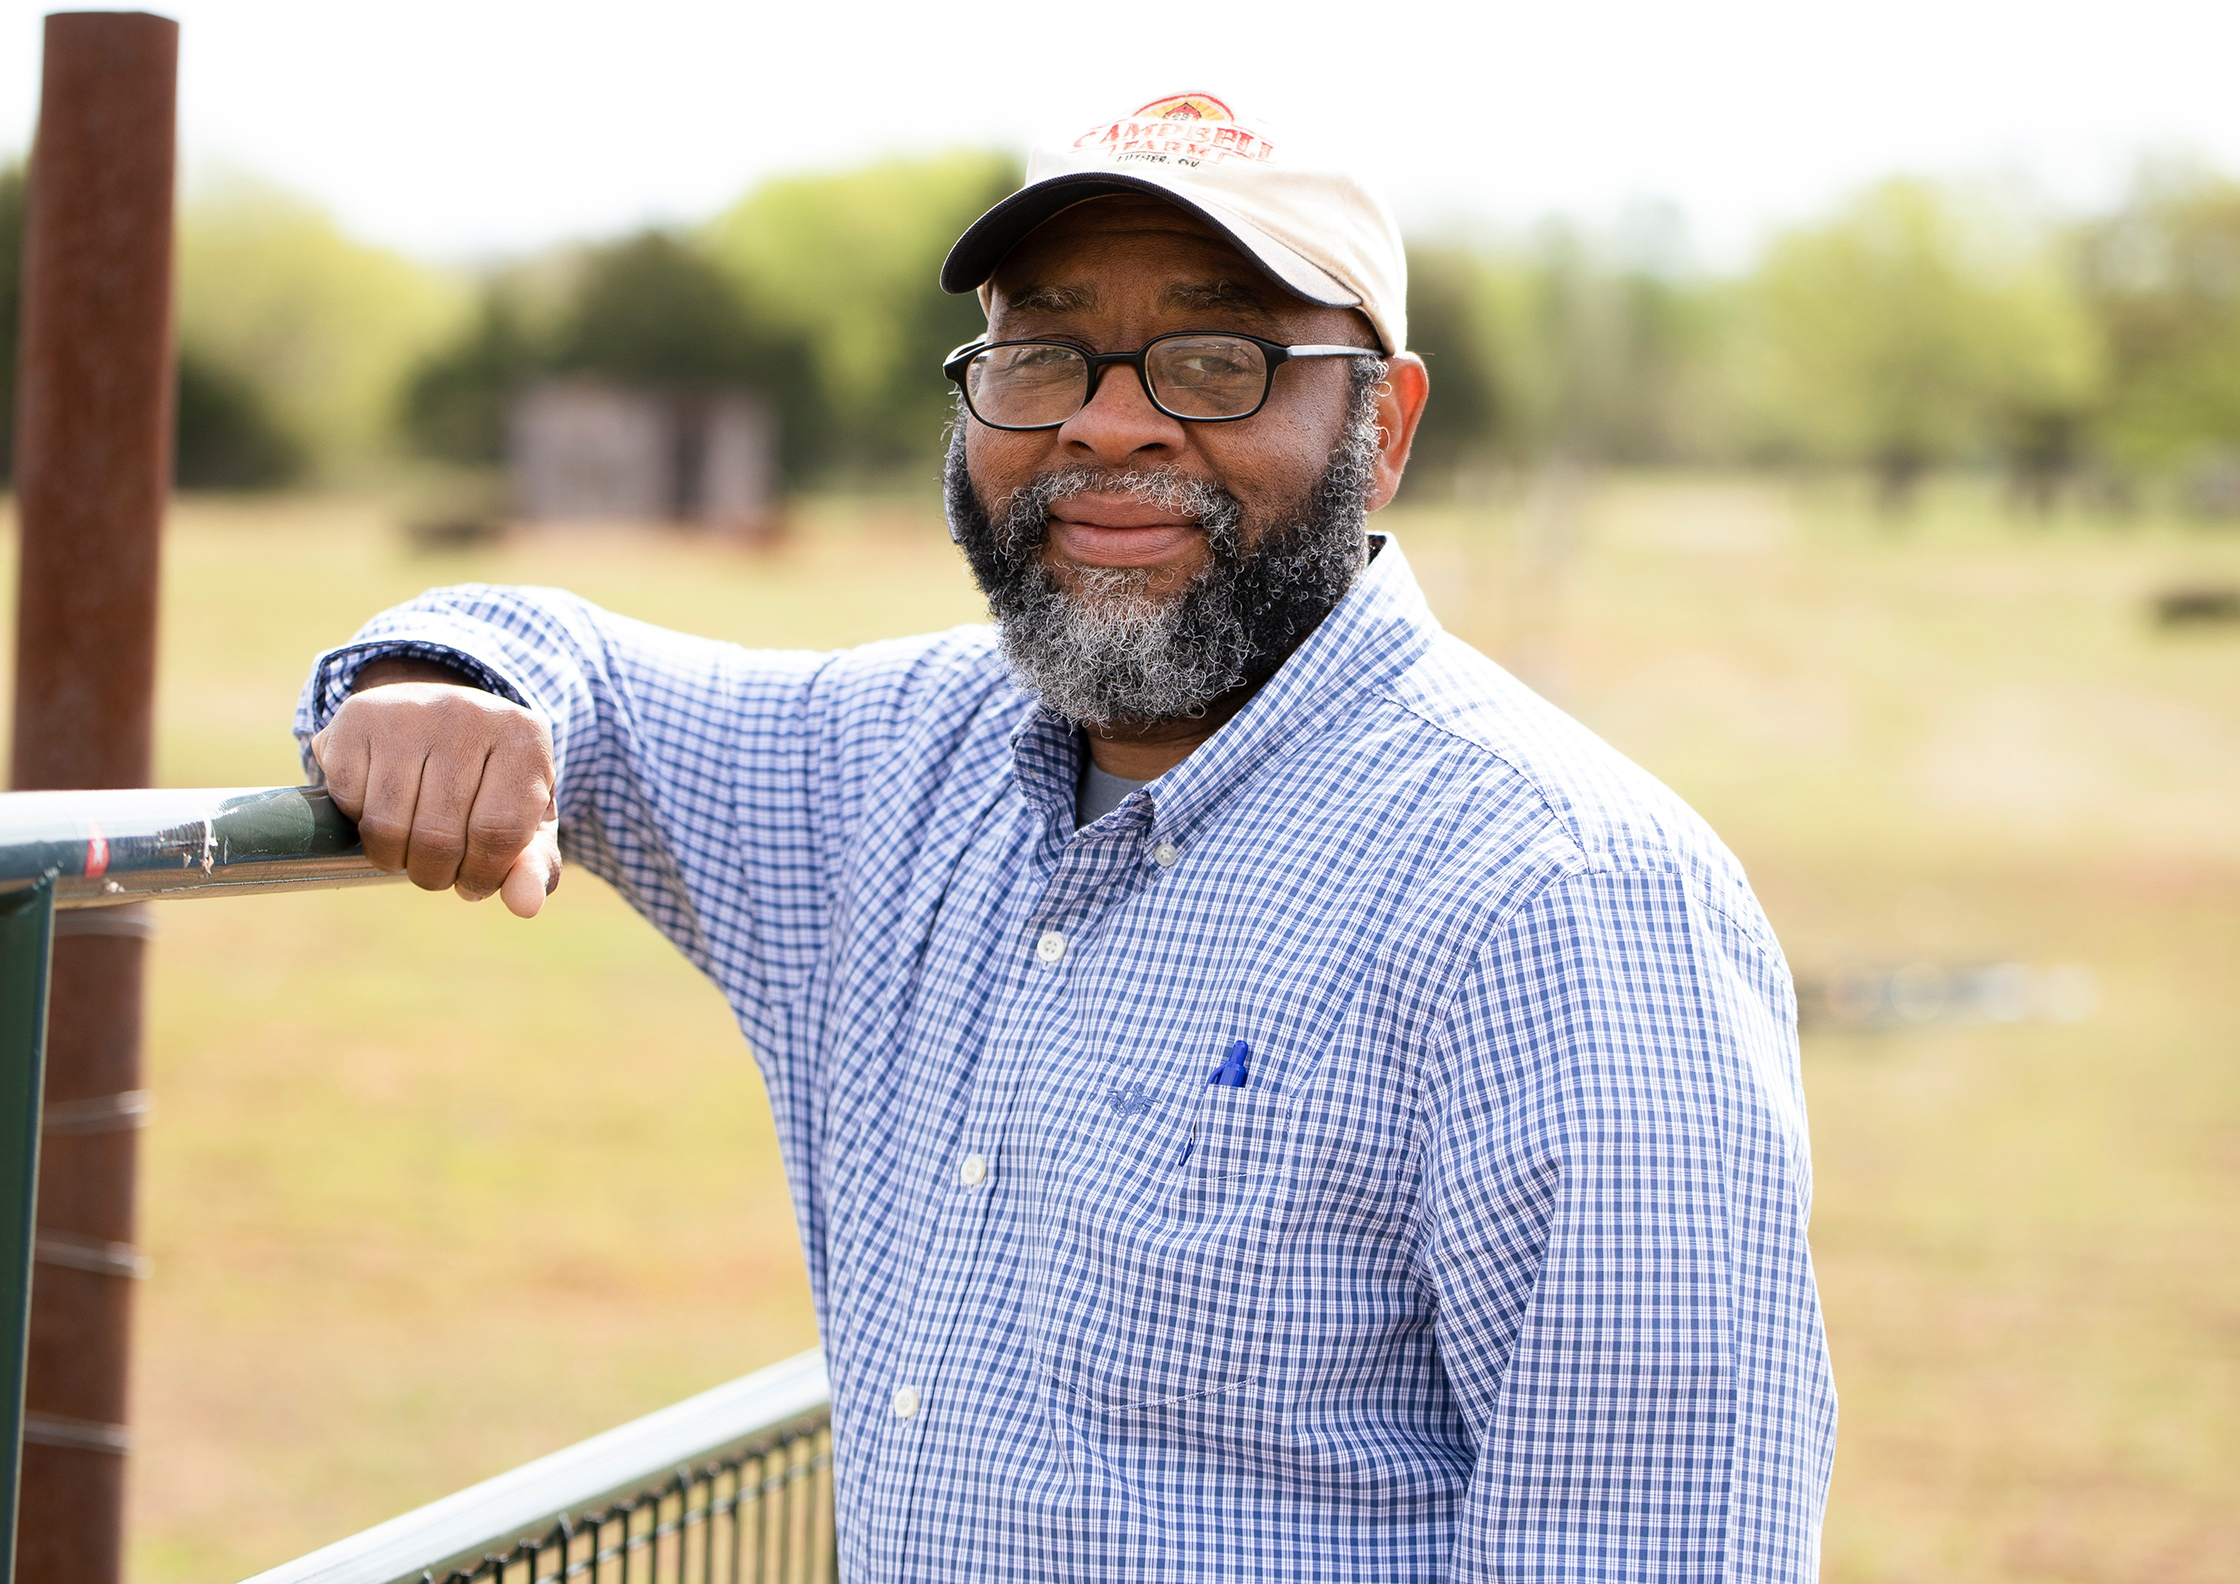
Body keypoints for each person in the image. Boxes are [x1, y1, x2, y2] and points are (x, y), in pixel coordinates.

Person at [300, 92, 1834, 1582]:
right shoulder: (889, 767)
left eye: (1217, 357)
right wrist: (438, 680)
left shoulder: (1564, 902)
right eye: (1042, 353)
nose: (1107, 422)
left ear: (1385, 428)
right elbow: (567, 658)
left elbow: (1652, 1544)